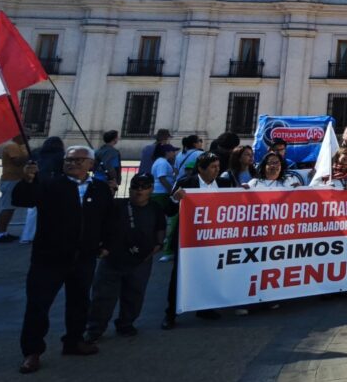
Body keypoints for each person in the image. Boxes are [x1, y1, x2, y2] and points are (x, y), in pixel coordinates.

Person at [13, 146, 115, 374]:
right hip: (49, 257)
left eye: (80, 160)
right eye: (69, 160)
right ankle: (32, 351)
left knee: (79, 302)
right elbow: (24, 199)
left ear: (91, 164)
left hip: (84, 257)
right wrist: (28, 180)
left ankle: (74, 341)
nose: (74, 164)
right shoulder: (49, 184)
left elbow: (108, 219)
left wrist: (106, 245)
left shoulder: (100, 189)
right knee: (38, 305)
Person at [83, 174, 166, 343]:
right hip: (113, 259)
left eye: (144, 187)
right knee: (102, 297)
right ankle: (95, 329)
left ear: (151, 189)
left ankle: (126, 324)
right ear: (129, 188)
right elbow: (97, 218)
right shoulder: (117, 205)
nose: (139, 190)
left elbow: (160, 227)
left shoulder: (155, 207)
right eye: (135, 186)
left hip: (141, 261)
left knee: (134, 295)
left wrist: (158, 245)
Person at [161, 153, 237, 329]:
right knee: (179, 276)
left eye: (218, 166)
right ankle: (171, 313)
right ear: (201, 169)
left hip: (215, 240)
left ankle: (205, 308)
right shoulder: (186, 184)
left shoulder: (225, 184)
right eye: (213, 167)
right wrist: (174, 198)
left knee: (210, 274)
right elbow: (169, 210)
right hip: (188, 241)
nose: (217, 170)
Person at [0, 135, 30, 243]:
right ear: (18, 136)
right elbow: (17, 161)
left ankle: (3, 232)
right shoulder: (12, 146)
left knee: (11, 208)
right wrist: (30, 155)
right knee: (7, 207)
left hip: (17, 180)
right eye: (26, 136)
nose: (28, 138)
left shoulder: (20, 146)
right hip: (10, 180)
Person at [149, 143, 179, 261]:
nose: (174, 153)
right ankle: (158, 241)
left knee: (159, 217)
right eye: (172, 151)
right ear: (167, 152)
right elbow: (162, 178)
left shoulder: (161, 161)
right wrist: (171, 191)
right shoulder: (162, 162)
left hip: (159, 192)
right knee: (162, 218)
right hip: (161, 193)